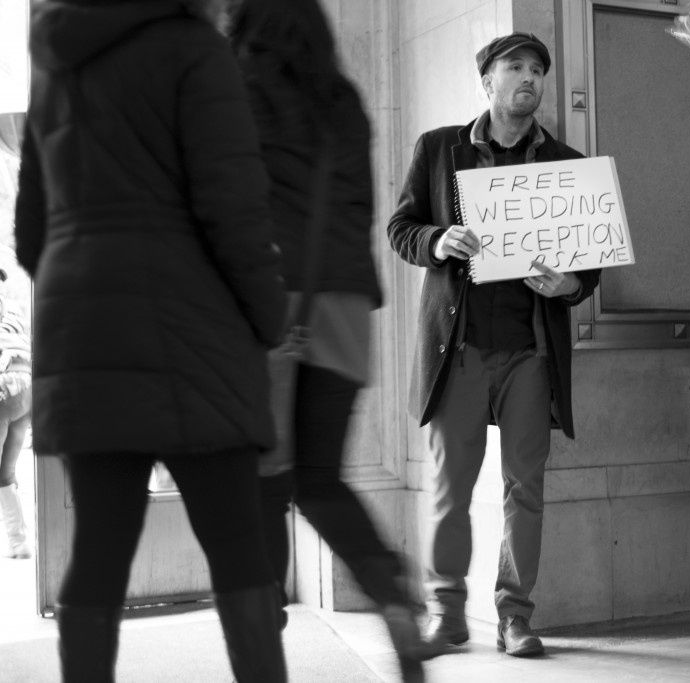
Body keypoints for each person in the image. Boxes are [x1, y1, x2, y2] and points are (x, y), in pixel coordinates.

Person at [14, 1, 288, 681]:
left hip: (83, 332)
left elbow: (29, 230)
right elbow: (235, 206)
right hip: (196, 333)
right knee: (236, 546)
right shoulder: (194, 47)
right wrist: (269, 316)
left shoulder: (56, 59)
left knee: (98, 551)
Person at [226, 0, 427, 677]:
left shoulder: (233, 85)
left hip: (266, 303)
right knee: (319, 479)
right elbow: (357, 211)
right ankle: (391, 592)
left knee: (260, 486)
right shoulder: (343, 100)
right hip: (342, 305)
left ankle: (260, 639)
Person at [387, 32, 601, 658]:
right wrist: (437, 241)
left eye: (538, 69)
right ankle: (447, 614)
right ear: (488, 81)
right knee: (452, 486)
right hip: (458, 351)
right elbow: (400, 229)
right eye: (515, 67)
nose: (529, 77)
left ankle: (515, 617)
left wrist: (569, 284)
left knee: (525, 490)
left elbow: (589, 268)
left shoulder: (566, 162)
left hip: (531, 354)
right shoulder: (438, 149)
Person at [0, 259, 32, 560]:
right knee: (4, 472)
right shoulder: (14, 309)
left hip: (3, 383)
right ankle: (19, 542)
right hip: (24, 387)